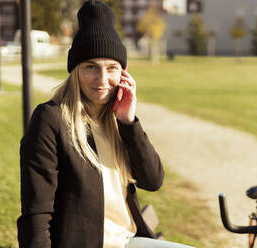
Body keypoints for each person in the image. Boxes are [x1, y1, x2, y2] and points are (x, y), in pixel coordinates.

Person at [17, 1, 194, 248]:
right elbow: (37, 211)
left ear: (124, 73)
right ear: (75, 71)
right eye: (91, 67)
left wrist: (128, 122)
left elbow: (153, 180)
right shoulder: (51, 119)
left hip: (127, 240)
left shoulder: (117, 121)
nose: (102, 80)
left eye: (112, 68)